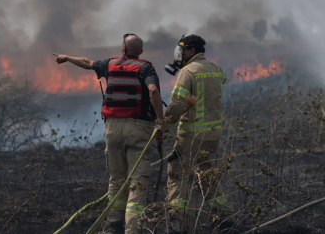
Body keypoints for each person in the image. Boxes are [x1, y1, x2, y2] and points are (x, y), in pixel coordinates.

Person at [53, 33, 164, 234]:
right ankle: (132, 229)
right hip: (137, 128)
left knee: (117, 179)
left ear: (123, 49)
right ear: (140, 51)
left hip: (112, 129)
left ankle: (113, 226)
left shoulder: (110, 64)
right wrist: (161, 121)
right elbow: (154, 91)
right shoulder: (145, 67)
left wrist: (67, 57)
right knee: (138, 181)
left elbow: (87, 62)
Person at [161, 34, 233, 233]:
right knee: (207, 173)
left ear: (191, 51)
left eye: (182, 51)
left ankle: (177, 224)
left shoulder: (187, 72)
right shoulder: (216, 69)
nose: (179, 55)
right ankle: (225, 218)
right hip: (212, 134)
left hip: (191, 135)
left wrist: (163, 128)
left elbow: (176, 105)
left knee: (178, 174)